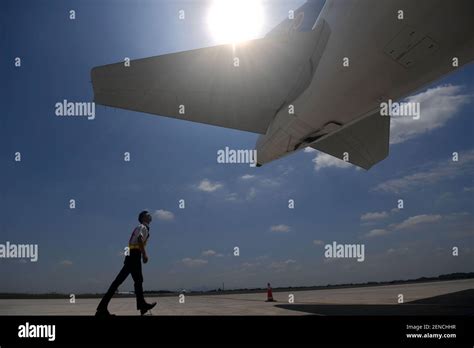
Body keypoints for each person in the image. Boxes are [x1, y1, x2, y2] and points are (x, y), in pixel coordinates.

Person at [96, 211, 157, 316]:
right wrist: (144, 255)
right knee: (125, 281)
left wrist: (128, 257)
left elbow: (131, 243)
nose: (150, 215)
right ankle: (102, 309)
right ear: (143, 218)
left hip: (132, 255)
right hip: (134, 255)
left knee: (135, 281)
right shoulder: (142, 227)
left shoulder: (143, 227)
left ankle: (142, 306)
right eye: (148, 214)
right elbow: (139, 240)